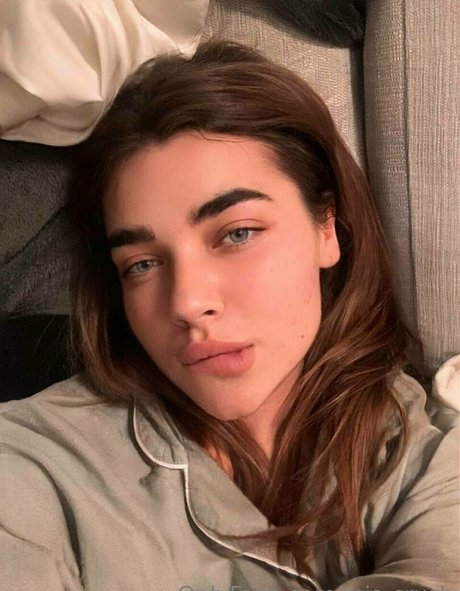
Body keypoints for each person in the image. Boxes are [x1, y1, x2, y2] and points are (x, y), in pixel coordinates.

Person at [1, 39, 458, 591]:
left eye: (237, 233)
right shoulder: (40, 466)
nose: (186, 303)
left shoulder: (422, 452)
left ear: (326, 227)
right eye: (141, 264)